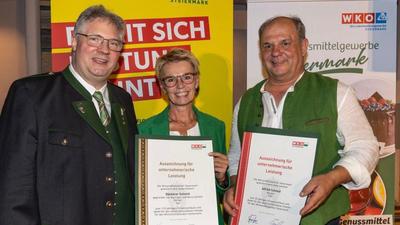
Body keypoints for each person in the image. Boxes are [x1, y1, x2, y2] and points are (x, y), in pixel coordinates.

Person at [223, 16, 379, 225]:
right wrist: (234, 186)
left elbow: (365, 147)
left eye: (285, 43)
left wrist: (332, 178)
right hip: (257, 216)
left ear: (304, 46)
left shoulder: (336, 92)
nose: (275, 52)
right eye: (267, 45)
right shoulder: (246, 100)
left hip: (319, 218)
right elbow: (236, 157)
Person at [0, 5, 137, 225]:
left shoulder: (124, 101)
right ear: (74, 42)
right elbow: (13, 190)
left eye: (114, 43)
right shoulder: (31, 95)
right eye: (95, 39)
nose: (104, 50)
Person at [139, 48, 229, 225]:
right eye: (171, 80)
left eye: (187, 77)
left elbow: (219, 195)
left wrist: (221, 179)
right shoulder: (145, 130)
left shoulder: (215, 127)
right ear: (163, 87)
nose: (180, 86)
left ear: (196, 81)